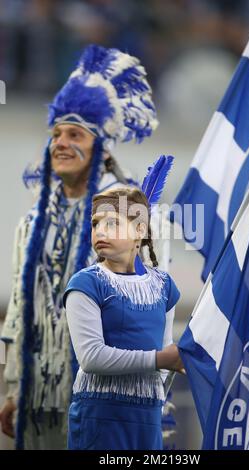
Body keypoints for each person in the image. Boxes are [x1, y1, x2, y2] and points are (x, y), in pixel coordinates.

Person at [0, 44, 169, 450]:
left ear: (101, 148)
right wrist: (11, 386)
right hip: (39, 394)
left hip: (106, 398)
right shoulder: (33, 221)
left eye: (74, 134)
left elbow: (144, 307)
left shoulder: (129, 216)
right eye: (56, 133)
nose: (60, 142)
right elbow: (20, 311)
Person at [63, 185, 184, 450]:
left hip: (148, 416)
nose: (100, 231)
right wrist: (158, 359)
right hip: (100, 414)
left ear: (139, 230)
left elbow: (165, 354)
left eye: (112, 223)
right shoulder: (86, 283)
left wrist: (163, 366)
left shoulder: (164, 285)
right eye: (96, 224)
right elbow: (91, 357)